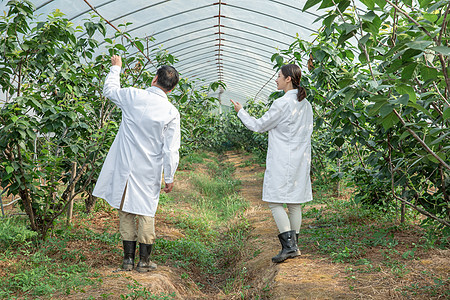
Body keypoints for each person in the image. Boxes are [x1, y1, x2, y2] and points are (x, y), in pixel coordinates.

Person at [93, 55, 180, 272]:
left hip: (125, 166)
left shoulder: (132, 95)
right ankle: (144, 261)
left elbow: (110, 91)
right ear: (171, 89)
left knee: (125, 210)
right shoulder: (171, 112)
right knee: (146, 211)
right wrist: (169, 177)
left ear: (154, 79)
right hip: (149, 169)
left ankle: (127, 260)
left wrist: (116, 68)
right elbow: (171, 149)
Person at [230, 64, 313, 263]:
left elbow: (258, 126)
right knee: (294, 202)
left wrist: (241, 112)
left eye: (278, 76)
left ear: (288, 79)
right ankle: (295, 246)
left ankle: (289, 246)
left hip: (282, 159)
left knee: (275, 201)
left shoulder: (281, 104)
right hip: (300, 159)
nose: (276, 79)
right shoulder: (306, 104)